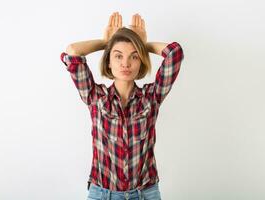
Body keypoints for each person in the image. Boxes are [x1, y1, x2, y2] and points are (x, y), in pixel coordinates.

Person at [60, 11, 184, 200]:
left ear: (140, 61)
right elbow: (73, 52)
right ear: (109, 62)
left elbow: (174, 53)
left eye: (134, 56)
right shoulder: (95, 97)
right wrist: (106, 42)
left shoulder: (151, 97)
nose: (125, 63)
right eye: (118, 56)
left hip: (145, 193)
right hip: (102, 194)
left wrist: (141, 44)